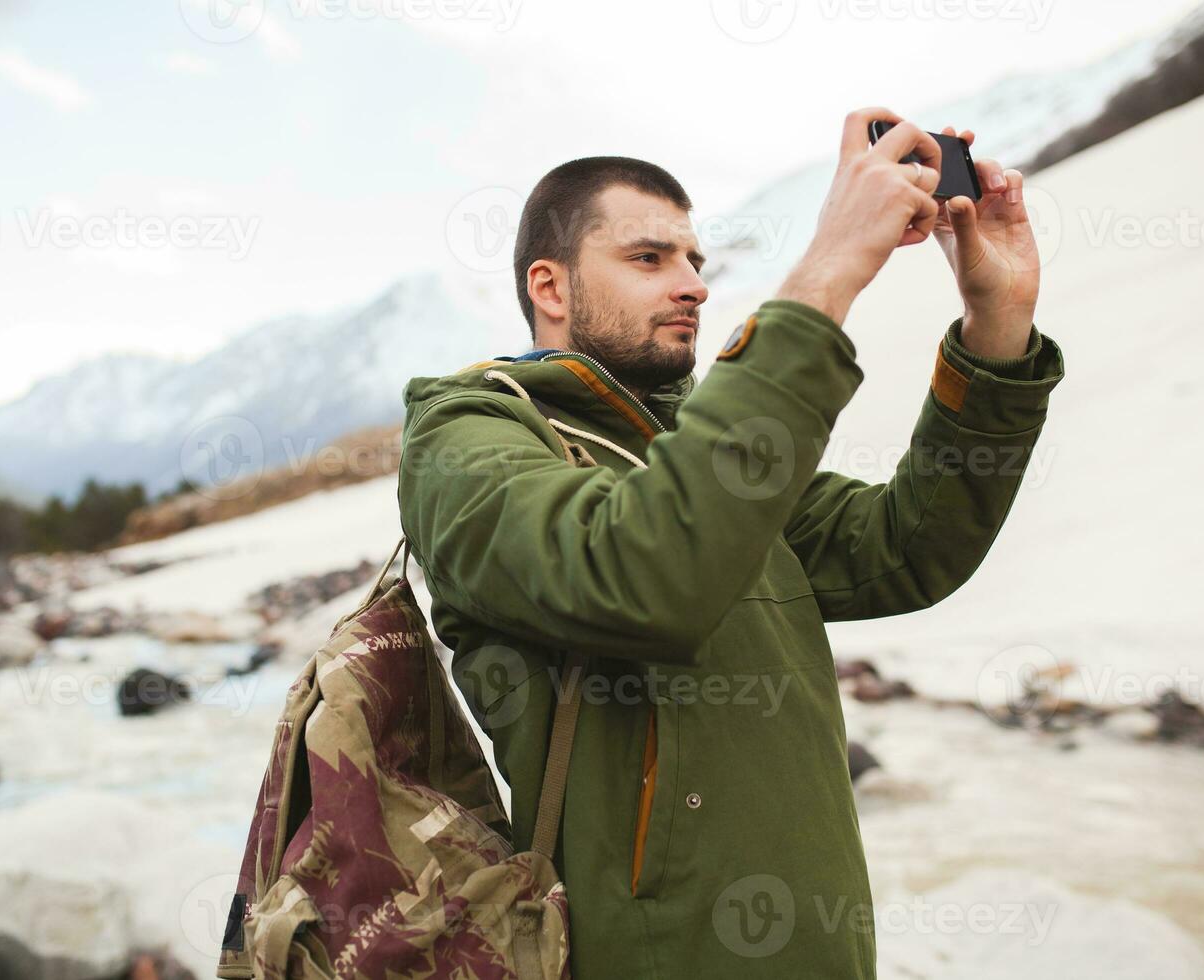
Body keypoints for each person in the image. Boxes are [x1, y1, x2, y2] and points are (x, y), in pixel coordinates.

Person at [397, 106, 1065, 979]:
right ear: (551, 288)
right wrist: (827, 270)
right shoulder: (465, 436)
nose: (694, 286)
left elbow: (905, 548)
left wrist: (998, 323)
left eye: (694, 260)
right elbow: (638, 576)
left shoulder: (694, 444)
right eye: (648, 258)